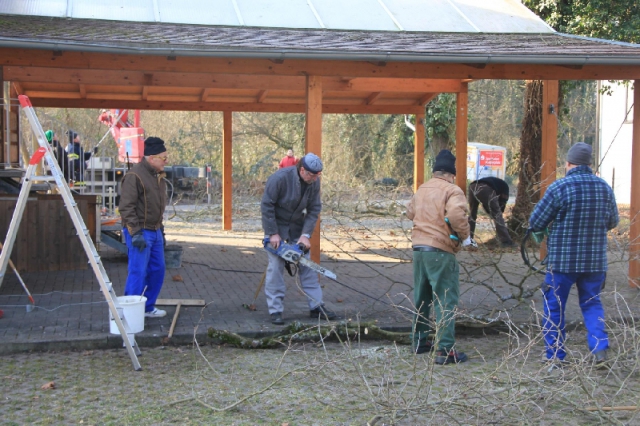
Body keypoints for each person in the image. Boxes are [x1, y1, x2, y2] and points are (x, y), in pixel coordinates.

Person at [529, 142, 618, 366]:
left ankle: (555, 357)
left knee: (554, 305)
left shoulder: (559, 188)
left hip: (562, 263)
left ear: (568, 164)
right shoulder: (604, 188)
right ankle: (600, 350)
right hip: (595, 262)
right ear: (589, 164)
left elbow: (536, 221)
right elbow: (613, 221)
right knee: (592, 303)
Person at [406, 149, 472, 365]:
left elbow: (410, 212)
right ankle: (445, 350)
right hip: (441, 251)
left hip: (419, 250)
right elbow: (455, 215)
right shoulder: (453, 190)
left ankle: (419, 341)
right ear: (451, 174)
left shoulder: (422, 188)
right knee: (445, 299)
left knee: (421, 298)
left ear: (435, 172)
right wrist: (465, 236)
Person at [261, 152, 336, 325]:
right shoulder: (280, 178)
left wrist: (305, 235)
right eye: (312, 175)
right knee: (275, 268)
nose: (315, 179)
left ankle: (316, 306)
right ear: (302, 170)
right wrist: (272, 233)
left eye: (317, 176)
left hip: (296, 228)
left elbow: (314, 209)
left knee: (308, 267)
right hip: (276, 227)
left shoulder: (313, 183)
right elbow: (267, 205)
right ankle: (275, 310)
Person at [119, 137, 169, 318]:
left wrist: (161, 231)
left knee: (157, 269)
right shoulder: (134, 176)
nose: (166, 161)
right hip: (140, 231)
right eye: (163, 157)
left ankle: (148, 307)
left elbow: (157, 206)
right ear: (152, 158)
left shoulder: (158, 177)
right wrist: (135, 232)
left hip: (154, 230)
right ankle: (130, 312)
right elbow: (126, 207)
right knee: (138, 271)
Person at [468, 177, 514, 247]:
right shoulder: (505, 188)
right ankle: (506, 241)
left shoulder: (496, 183)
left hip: (472, 186)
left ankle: (468, 239)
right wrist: (498, 214)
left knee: (472, 214)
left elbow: (486, 205)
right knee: (498, 215)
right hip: (485, 188)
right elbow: (503, 202)